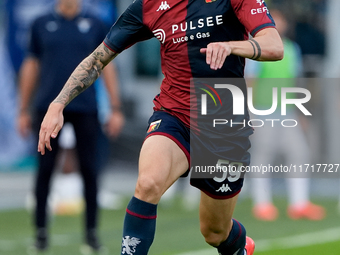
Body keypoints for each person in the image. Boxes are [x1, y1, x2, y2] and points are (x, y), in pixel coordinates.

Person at [37, 0, 283, 254]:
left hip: (223, 124)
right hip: (173, 115)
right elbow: (98, 59)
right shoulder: (148, 6)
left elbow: (274, 46)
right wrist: (58, 104)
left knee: (215, 232)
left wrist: (231, 46)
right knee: (148, 184)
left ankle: (239, 245)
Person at [17, 0, 124, 252]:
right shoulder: (40, 24)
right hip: (47, 108)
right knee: (45, 170)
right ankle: (41, 234)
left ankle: (91, 234)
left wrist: (116, 108)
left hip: (86, 107)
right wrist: (23, 108)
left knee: (90, 170)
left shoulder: (96, 24)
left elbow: (106, 66)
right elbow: (31, 65)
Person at [245, 9, 325, 221]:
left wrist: (301, 113)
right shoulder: (257, 49)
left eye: (280, 20)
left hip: (287, 112)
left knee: (299, 154)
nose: (277, 24)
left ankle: (299, 204)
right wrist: (249, 110)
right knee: (263, 157)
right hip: (263, 111)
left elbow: (296, 82)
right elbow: (251, 81)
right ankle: (262, 205)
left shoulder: (292, 49)